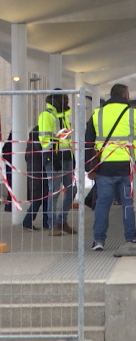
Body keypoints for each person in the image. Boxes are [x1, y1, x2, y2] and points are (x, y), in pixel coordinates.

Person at [85, 84, 136, 251]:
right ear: (125, 95)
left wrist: (90, 168)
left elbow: (88, 143)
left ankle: (98, 240)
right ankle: (130, 239)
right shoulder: (135, 114)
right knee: (128, 204)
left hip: (104, 168)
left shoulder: (97, 114)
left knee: (102, 204)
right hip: (129, 168)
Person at [38, 90, 76, 235]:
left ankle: (62, 221)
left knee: (72, 189)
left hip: (66, 157)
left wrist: (71, 157)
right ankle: (52, 225)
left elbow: (65, 138)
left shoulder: (63, 116)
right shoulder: (46, 115)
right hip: (53, 158)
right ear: (57, 100)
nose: (67, 101)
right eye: (65, 99)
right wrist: (53, 157)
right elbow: (45, 139)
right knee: (53, 192)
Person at [22, 126, 50, 231]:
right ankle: (27, 221)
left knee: (43, 198)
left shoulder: (30, 145)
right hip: (39, 175)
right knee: (40, 199)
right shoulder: (37, 145)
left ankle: (46, 222)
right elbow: (44, 156)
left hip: (36, 175)